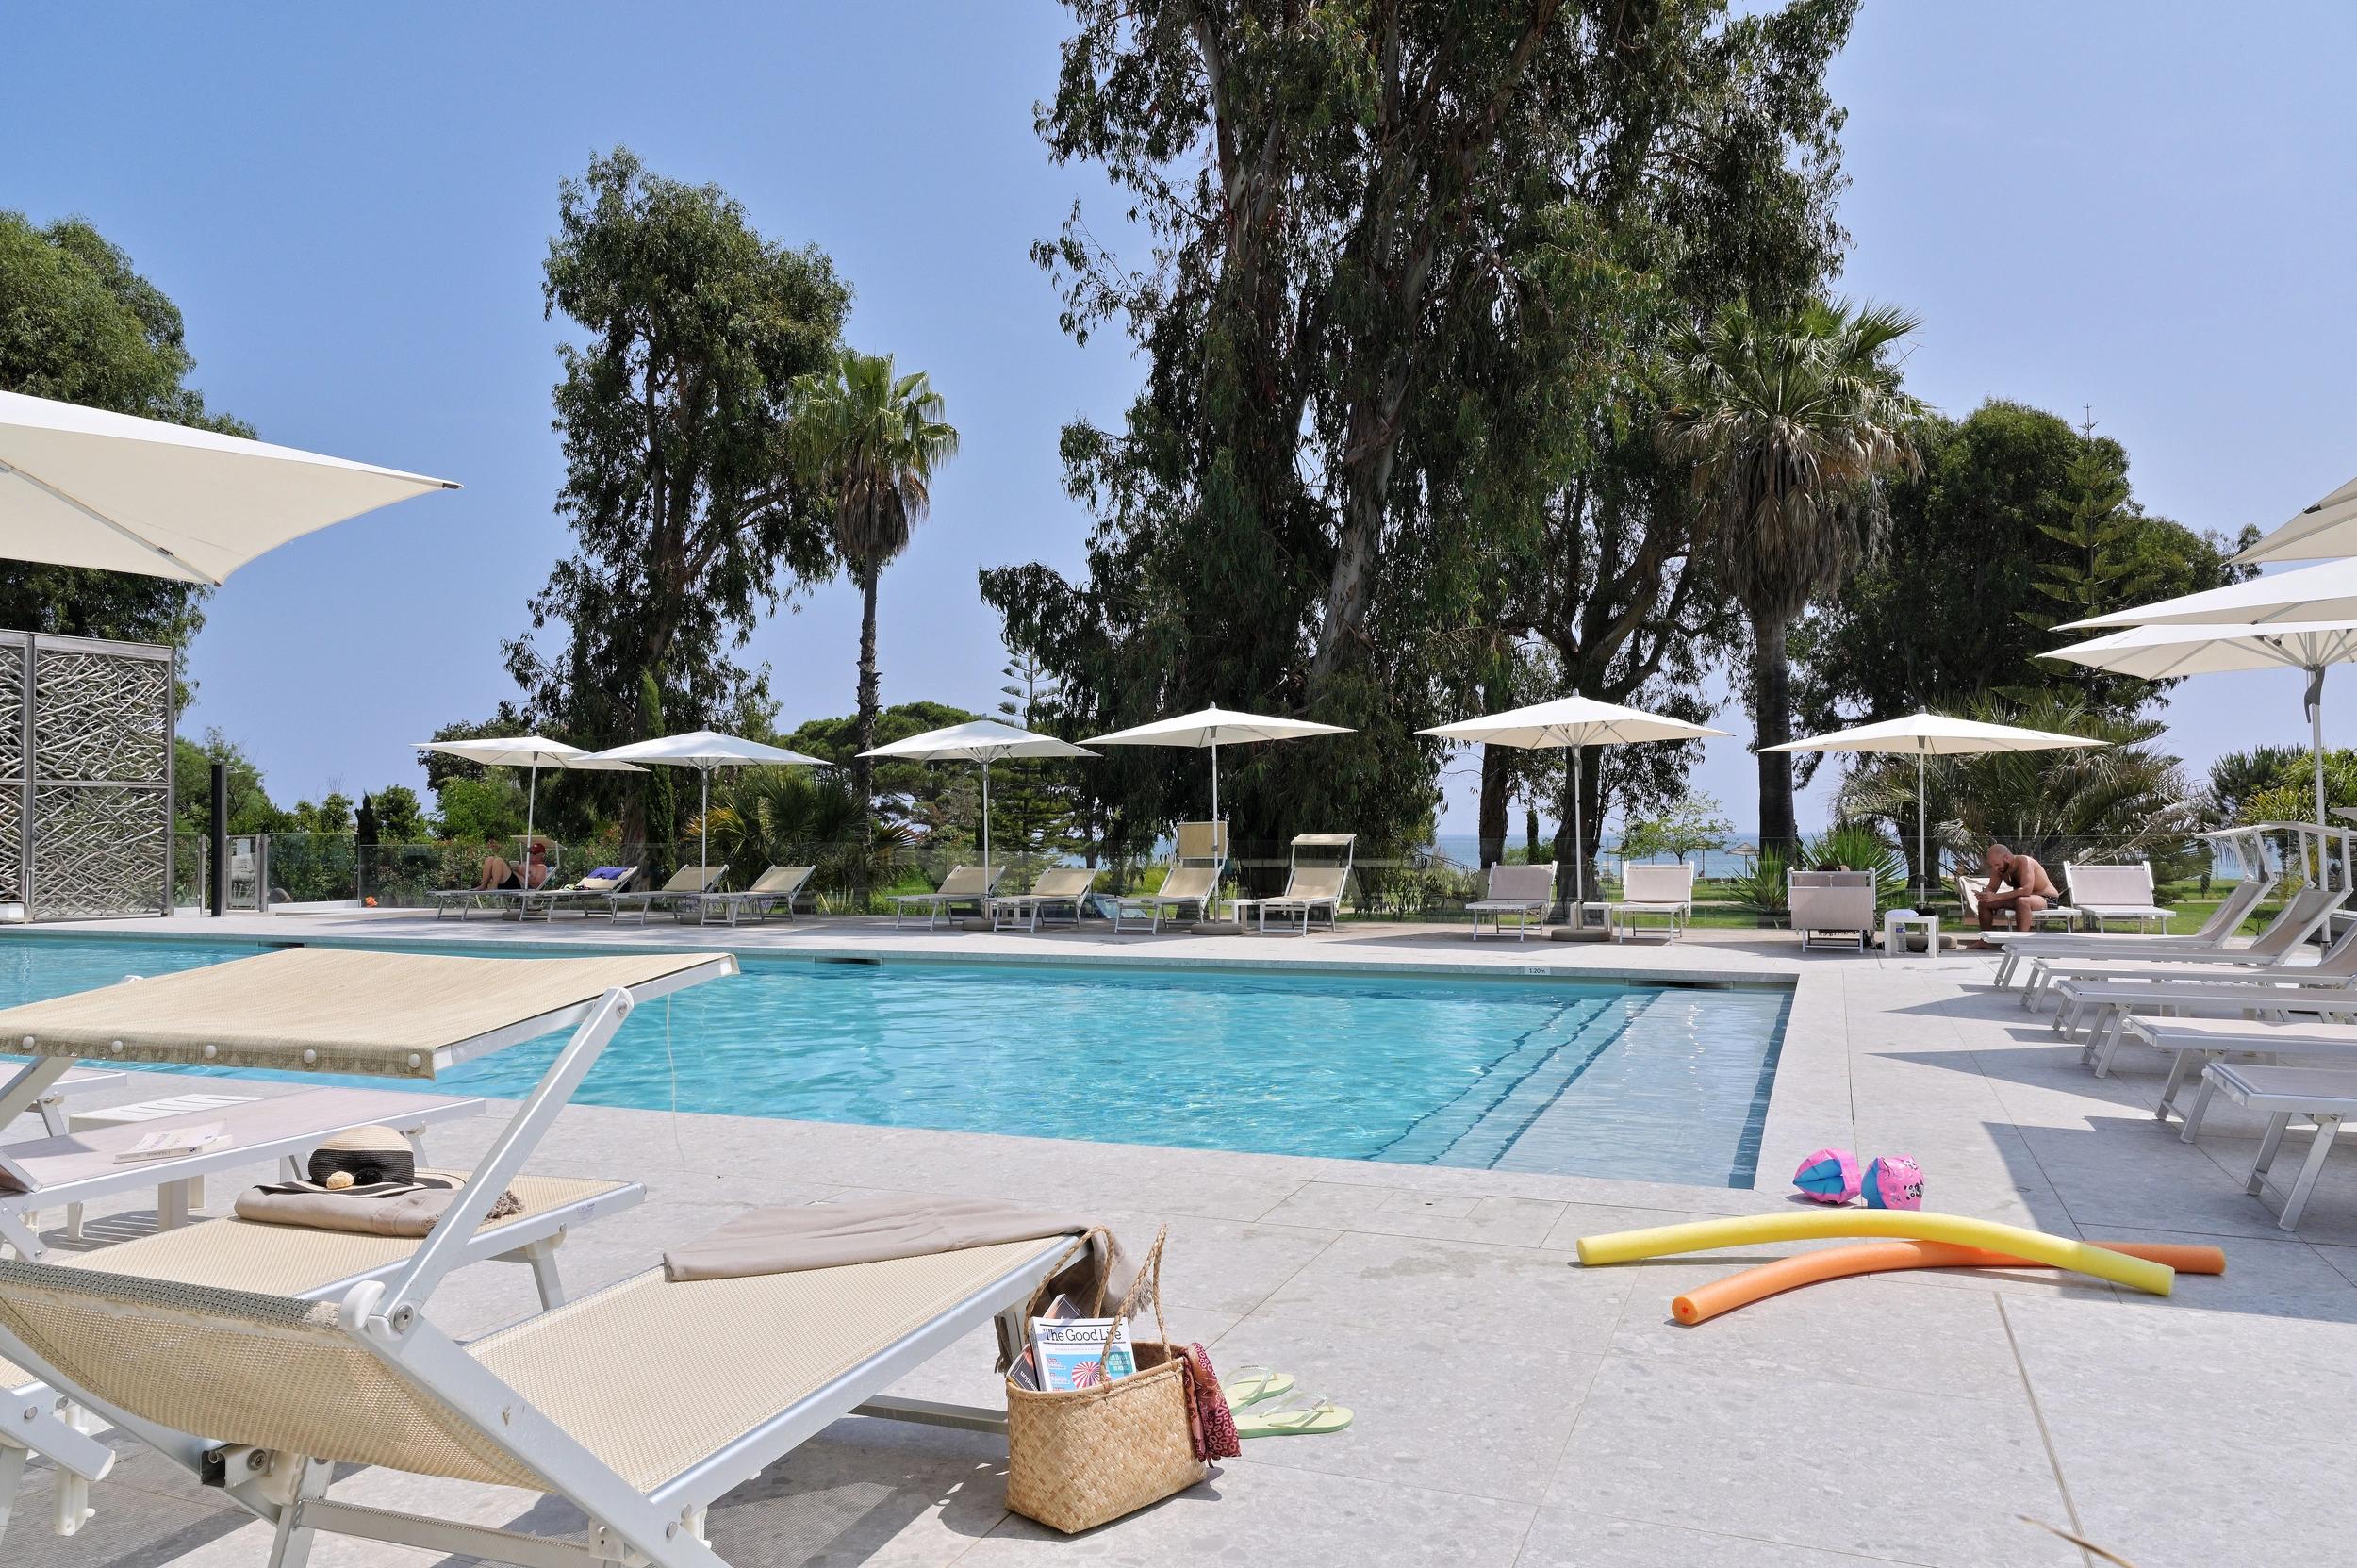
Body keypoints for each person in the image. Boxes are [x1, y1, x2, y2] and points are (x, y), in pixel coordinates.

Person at [1976, 843, 2057, 936]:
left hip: (2045, 898)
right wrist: (1984, 895)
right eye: (1992, 865)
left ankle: (2021, 940)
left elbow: (2026, 890)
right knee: (1984, 903)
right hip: (2021, 898)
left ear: (2007, 857)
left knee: (2022, 901)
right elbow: (1992, 888)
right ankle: (1985, 940)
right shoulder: (1999, 868)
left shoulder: (2025, 862)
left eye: (1997, 864)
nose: (1995, 868)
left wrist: (1996, 897)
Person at [476, 837, 552, 893]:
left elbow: (536, 885)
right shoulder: (526, 863)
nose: (531, 855)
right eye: (530, 852)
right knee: (490, 859)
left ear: (542, 855)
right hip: (509, 880)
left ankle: (494, 887)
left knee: (499, 861)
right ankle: (483, 885)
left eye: (534, 853)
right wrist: (513, 868)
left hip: (518, 885)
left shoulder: (542, 868)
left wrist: (524, 872)